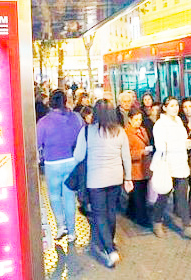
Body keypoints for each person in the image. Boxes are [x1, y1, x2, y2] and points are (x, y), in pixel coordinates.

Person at [73, 99, 133, 268]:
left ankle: (109, 250)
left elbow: (78, 156)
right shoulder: (120, 131)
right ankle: (110, 241)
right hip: (115, 178)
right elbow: (126, 157)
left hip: (95, 180)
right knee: (111, 211)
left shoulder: (87, 131)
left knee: (99, 213)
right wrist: (128, 178)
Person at [150, 97, 191, 241]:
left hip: (180, 164)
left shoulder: (179, 121)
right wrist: (182, 145)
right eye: (171, 106)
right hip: (166, 164)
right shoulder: (160, 124)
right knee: (164, 195)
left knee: (182, 196)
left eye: (176, 105)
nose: (175, 108)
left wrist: (185, 144)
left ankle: (187, 227)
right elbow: (160, 146)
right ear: (164, 108)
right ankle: (157, 221)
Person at [37, 89, 84, 243]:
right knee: (69, 197)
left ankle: (60, 226)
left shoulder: (44, 122)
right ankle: (72, 232)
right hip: (72, 162)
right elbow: (82, 136)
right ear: (65, 101)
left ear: (50, 102)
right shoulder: (76, 118)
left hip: (52, 164)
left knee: (55, 196)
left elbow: (37, 143)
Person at [125, 108, 152, 228]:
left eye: (140, 119)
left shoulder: (142, 130)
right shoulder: (126, 133)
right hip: (134, 169)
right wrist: (141, 152)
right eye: (136, 119)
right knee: (139, 195)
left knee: (137, 194)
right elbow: (126, 153)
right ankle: (142, 218)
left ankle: (130, 212)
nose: (138, 122)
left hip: (144, 167)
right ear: (130, 119)